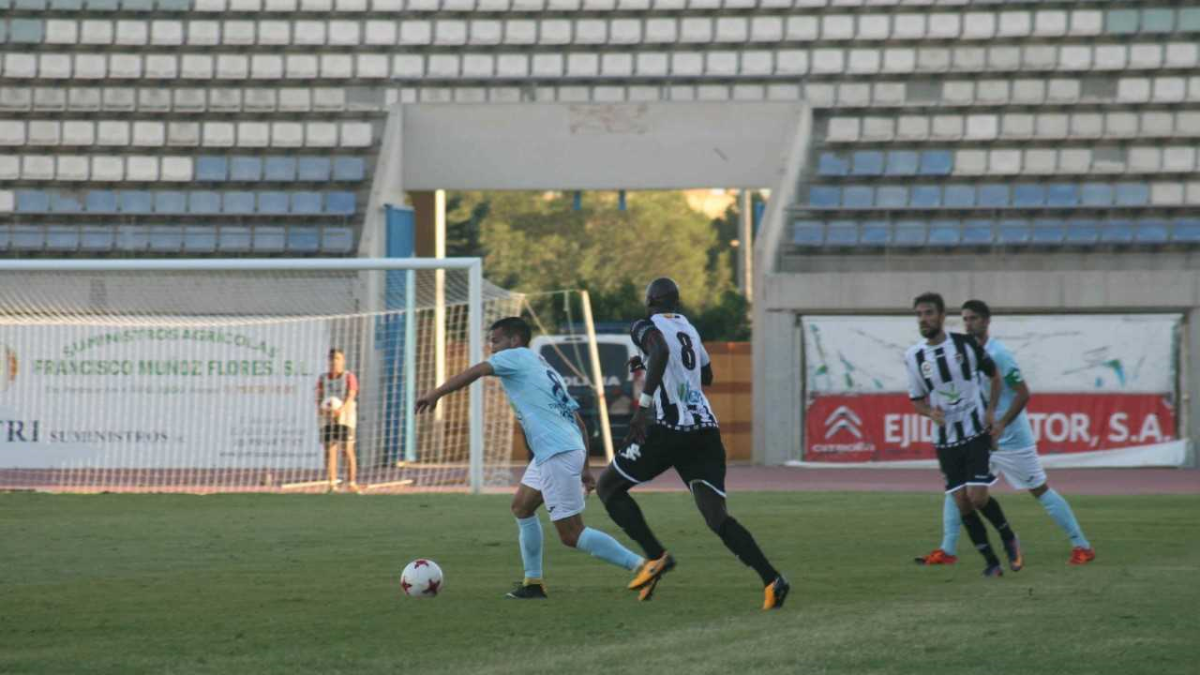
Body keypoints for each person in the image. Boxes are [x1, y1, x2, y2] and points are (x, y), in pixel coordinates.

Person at [415, 317, 646, 600]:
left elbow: (477, 371)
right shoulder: (543, 367)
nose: (493, 348)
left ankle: (643, 566)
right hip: (561, 448)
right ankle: (533, 583)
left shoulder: (515, 356)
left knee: (572, 534)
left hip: (556, 451)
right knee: (522, 507)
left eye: (496, 341)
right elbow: (579, 422)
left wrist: (436, 393)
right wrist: (585, 469)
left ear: (514, 341)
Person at [596, 278, 790, 609]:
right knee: (717, 518)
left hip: (669, 428)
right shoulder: (689, 328)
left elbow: (659, 349)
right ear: (677, 302)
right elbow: (706, 375)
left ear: (650, 301)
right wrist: (648, 361)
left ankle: (657, 557)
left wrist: (642, 407)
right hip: (705, 431)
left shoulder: (643, 325)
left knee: (608, 488)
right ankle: (772, 579)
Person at [916, 300, 1095, 567]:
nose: (968, 324)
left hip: (1011, 439)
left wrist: (1001, 424)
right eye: (964, 319)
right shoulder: (962, 352)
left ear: (987, 321)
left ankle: (1082, 546)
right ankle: (947, 550)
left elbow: (1023, 393)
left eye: (974, 318)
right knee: (957, 490)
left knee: (1040, 490)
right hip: (979, 437)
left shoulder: (999, 354)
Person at [906, 292, 1022, 577]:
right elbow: (917, 399)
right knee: (961, 502)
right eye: (919, 314)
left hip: (974, 432)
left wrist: (991, 412)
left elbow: (994, 376)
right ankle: (991, 563)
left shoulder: (965, 344)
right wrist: (929, 413)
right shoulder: (914, 356)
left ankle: (1009, 537)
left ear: (943, 316)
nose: (924, 319)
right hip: (946, 439)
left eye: (929, 313)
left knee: (978, 497)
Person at [317, 348, 359, 493]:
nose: (335, 362)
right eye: (332, 359)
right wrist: (323, 410)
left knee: (347, 449)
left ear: (343, 360)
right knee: (330, 449)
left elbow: (351, 396)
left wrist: (340, 410)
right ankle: (332, 484)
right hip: (328, 417)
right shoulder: (323, 378)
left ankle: (351, 483)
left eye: (338, 358)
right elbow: (319, 397)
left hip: (345, 417)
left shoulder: (349, 377)